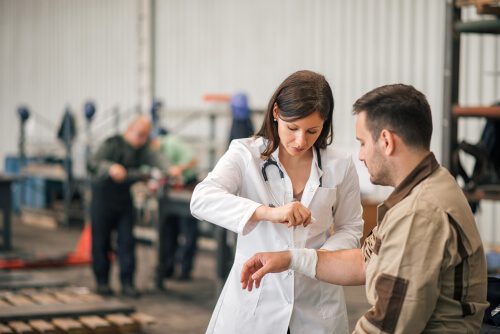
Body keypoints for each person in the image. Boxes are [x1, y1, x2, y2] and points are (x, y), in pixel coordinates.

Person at [241, 84, 488, 333]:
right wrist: (291, 258)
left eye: (362, 143)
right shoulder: (431, 183)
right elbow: (365, 262)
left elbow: (387, 325)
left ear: (386, 141)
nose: (360, 156)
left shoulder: (419, 213)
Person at [190, 70, 364, 334]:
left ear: (324, 123)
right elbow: (202, 199)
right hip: (256, 302)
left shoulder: (339, 163)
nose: (300, 141)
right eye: (292, 128)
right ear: (275, 113)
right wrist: (266, 213)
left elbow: (350, 227)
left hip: (317, 300)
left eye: (312, 131)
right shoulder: (245, 153)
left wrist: (312, 260)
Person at [87, 115, 166, 297]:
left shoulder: (143, 149)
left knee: (127, 242)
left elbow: (158, 160)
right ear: (129, 130)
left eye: (146, 136)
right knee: (101, 242)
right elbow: (92, 163)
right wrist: (110, 168)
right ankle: (102, 283)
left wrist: (169, 169)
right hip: (102, 200)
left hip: (123, 201)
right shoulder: (111, 144)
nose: (142, 139)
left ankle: (127, 283)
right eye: (140, 135)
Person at [156, 130, 198, 280]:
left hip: (187, 186)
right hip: (170, 190)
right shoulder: (152, 153)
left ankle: (185, 270)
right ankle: (167, 268)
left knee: (188, 232)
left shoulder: (172, 144)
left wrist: (179, 169)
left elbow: (193, 160)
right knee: (168, 231)